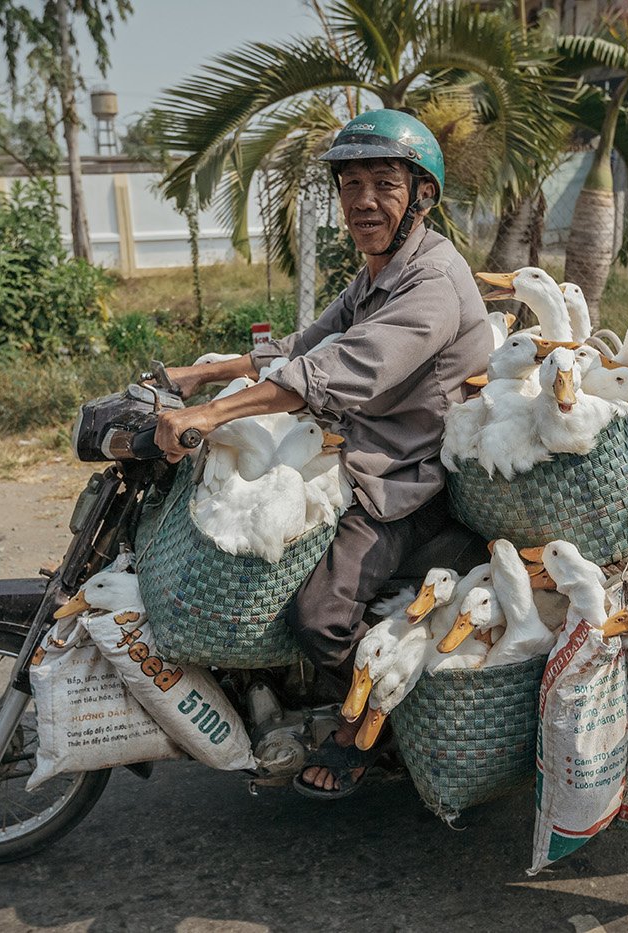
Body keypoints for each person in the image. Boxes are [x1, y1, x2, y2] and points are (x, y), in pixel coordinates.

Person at [154, 109, 492, 798]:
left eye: (384, 184)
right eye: (352, 184)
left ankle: (374, 723)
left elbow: (334, 373)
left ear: (421, 196)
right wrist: (202, 376)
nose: (364, 200)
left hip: (407, 483)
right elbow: (306, 348)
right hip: (362, 454)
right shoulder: (380, 270)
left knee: (317, 618)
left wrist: (213, 413)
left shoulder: (429, 285)